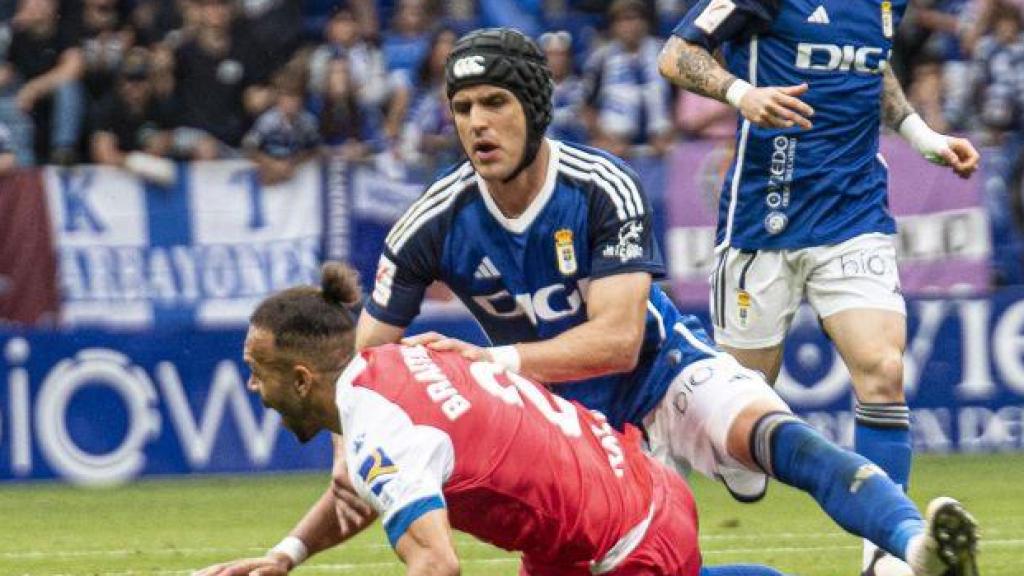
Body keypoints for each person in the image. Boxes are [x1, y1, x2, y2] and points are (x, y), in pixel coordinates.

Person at [202, 28, 978, 576]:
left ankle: (913, 551)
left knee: (774, 436)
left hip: (657, 371)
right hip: (567, 425)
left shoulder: (600, 186)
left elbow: (613, 339)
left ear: (534, 107)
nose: (477, 123)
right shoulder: (431, 224)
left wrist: (495, 359)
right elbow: (360, 377)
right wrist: (296, 543)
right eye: (464, 107)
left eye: (495, 103)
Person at [196, 263, 795, 576]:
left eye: (258, 369)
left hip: (627, 543)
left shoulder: (381, 427)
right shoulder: (394, 363)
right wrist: (287, 555)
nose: (252, 385)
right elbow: (365, 483)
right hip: (626, 492)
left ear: (302, 378)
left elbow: (437, 562)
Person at [656, 0, 981, 572]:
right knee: (742, 404)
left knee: (882, 370)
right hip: (765, 220)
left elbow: (872, 66)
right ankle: (719, 469)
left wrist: (919, 132)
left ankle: (887, 555)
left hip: (853, 216)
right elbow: (676, 55)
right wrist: (741, 93)